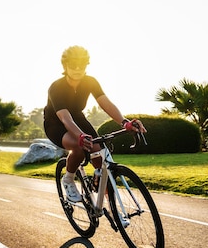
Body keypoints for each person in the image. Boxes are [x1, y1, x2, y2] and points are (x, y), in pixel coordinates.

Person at [44, 45, 146, 202]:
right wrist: (80, 136)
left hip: (77, 117)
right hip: (55, 123)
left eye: (82, 64)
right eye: (73, 64)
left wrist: (124, 122)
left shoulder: (90, 81)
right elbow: (65, 118)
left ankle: (106, 199)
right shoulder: (56, 87)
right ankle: (69, 179)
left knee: (98, 152)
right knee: (79, 147)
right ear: (65, 66)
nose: (78, 68)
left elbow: (106, 104)